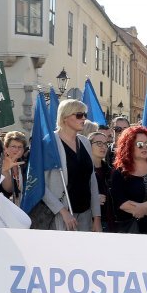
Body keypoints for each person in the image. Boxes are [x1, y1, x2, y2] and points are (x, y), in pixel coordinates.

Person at [43, 99, 102, 232]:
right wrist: (62, 211)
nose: (84, 119)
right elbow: (40, 184)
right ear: (64, 117)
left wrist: (96, 217)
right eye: (79, 115)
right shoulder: (49, 143)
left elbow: (91, 180)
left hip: (86, 214)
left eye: (85, 115)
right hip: (61, 215)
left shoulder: (85, 142)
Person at [111, 125, 147, 234]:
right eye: (140, 144)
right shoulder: (119, 172)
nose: (145, 147)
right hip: (129, 230)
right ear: (129, 146)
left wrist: (142, 208)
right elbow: (121, 202)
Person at [88, 130, 116, 232]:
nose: (103, 147)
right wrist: (92, 198)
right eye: (99, 143)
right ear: (89, 145)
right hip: (91, 223)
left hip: (112, 223)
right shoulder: (84, 171)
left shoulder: (111, 172)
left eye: (106, 144)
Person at [0, 131, 27, 206]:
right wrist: (5, 171)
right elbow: (8, 190)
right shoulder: (0, 163)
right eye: (13, 146)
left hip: (23, 207)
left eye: (20, 147)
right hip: (6, 207)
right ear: (6, 148)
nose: (17, 150)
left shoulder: (24, 165)